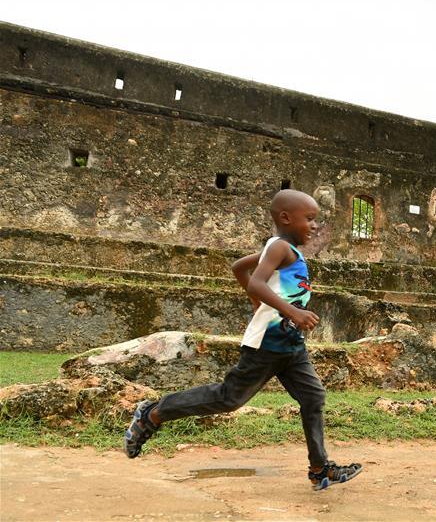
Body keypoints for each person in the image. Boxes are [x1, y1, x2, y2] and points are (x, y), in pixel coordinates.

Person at [123, 189, 362, 491]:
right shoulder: (278, 247)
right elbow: (258, 280)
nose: (315, 226)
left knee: (313, 397)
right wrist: (290, 311)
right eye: (310, 219)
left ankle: (320, 470)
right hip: (267, 344)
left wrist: (259, 303)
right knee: (229, 398)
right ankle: (153, 413)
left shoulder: (286, 250)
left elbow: (239, 268)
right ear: (286, 218)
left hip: (290, 345)